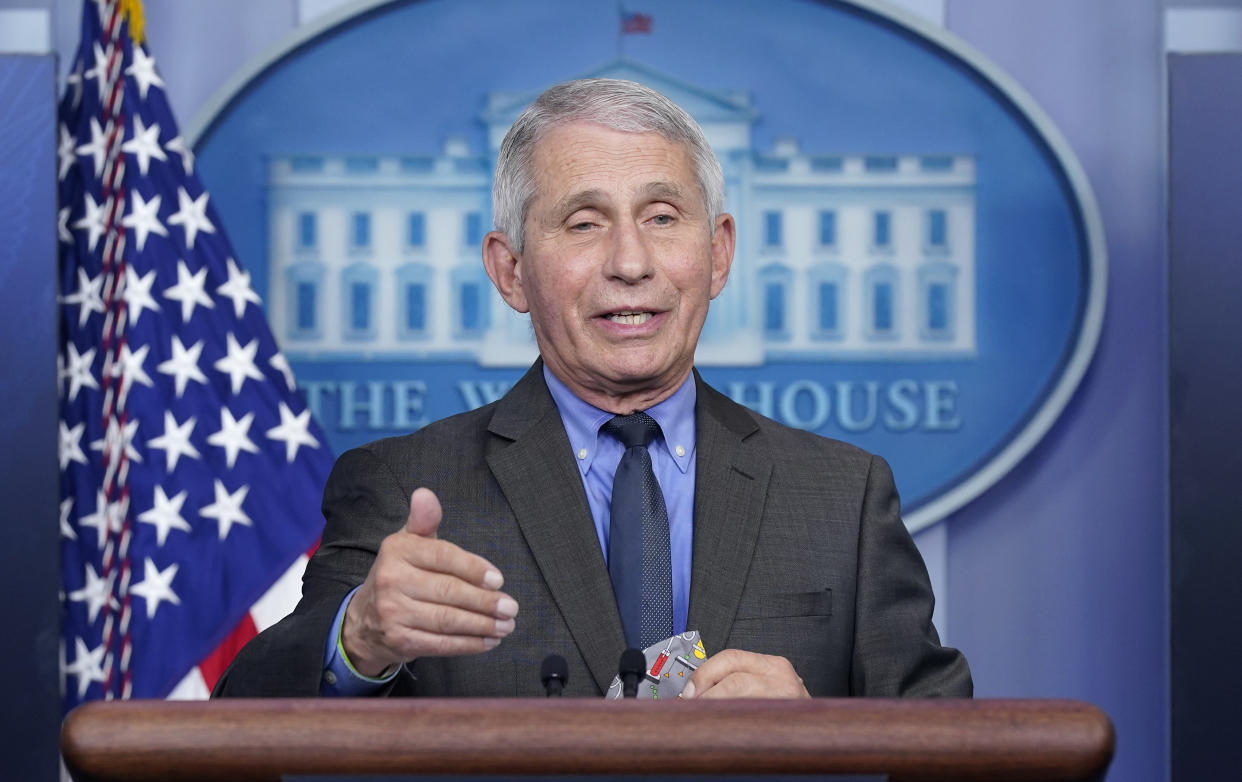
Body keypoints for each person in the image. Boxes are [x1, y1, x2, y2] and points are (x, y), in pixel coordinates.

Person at [214, 78, 971, 699]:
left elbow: (959, 768)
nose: (631, 261)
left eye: (663, 217)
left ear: (718, 254)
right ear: (510, 270)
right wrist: (360, 638)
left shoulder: (844, 497)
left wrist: (820, 744)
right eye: (584, 223)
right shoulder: (403, 488)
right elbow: (245, 731)